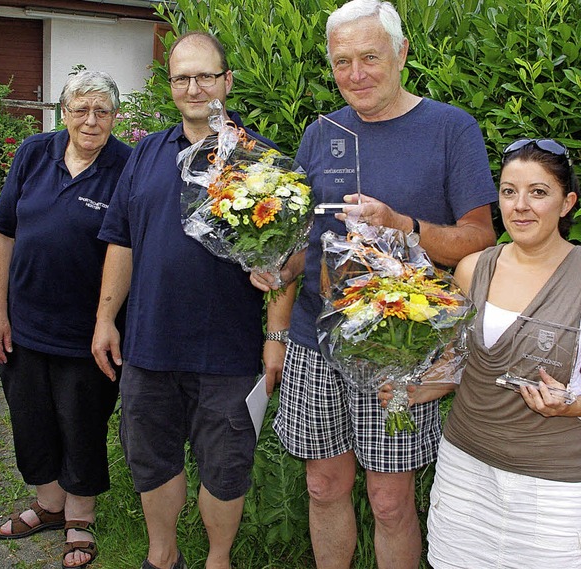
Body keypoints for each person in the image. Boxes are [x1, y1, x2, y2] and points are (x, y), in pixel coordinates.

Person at [250, 1, 498, 567]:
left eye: (369, 58)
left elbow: (481, 240)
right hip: (318, 340)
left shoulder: (450, 128)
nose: (355, 74)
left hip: (398, 344)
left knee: (389, 501)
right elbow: (303, 245)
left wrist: (403, 227)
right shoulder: (320, 134)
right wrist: (273, 279)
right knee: (322, 486)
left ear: (402, 54)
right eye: (342, 62)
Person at [91, 31, 290, 569]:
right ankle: (162, 557)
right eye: (183, 77)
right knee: (152, 461)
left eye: (205, 75)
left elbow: (285, 262)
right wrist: (105, 319)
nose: (194, 87)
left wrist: (275, 339)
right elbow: (121, 239)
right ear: (171, 85)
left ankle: (217, 560)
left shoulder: (261, 160)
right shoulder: (148, 153)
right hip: (149, 343)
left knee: (225, 468)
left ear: (227, 81)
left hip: (228, 350)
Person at [0, 70, 131, 569]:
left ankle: (80, 519)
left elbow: (129, 248)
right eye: (81, 109)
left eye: (102, 111)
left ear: (115, 117)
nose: (91, 121)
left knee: (82, 424)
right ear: (63, 112)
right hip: (23, 326)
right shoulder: (34, 153)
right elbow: (2, 231)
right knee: (29, 421)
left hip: (87, 334)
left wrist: (107, 321)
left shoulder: (124, 167)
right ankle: (49, 505)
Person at [421, 138, 581, 568]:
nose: (521, 206)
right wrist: (411, 383)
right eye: (509, 192)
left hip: (555, 490)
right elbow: (456, 361)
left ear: (567, 203)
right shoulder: (474, 267)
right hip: (465, 472)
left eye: (538, 192)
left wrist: (570, 408)